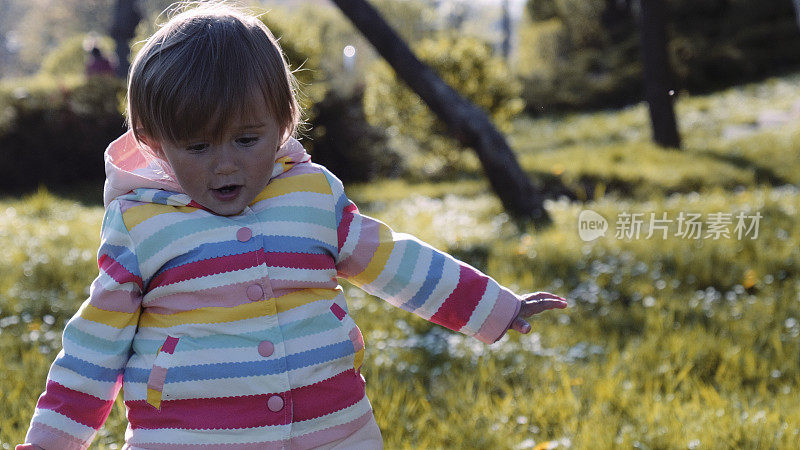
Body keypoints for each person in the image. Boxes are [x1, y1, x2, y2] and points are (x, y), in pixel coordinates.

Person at [17, 3, 567, 449]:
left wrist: (497, 306)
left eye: (247, 139)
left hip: (334, 429)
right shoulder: (141, 227)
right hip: (191, 438)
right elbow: (94, 348)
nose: (225, 164)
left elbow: (397, 260)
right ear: (154, 143)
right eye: (198, 146)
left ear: (284, 123)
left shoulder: (312, 195)